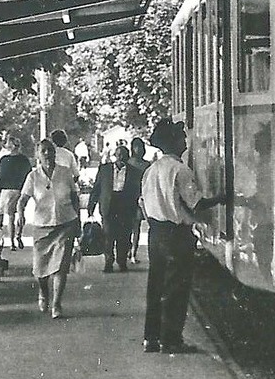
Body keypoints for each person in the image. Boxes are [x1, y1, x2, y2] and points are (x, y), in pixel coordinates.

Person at [138, 120, 220, 354]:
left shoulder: (151, 170)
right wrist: (223, 198)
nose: (185, 141)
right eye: (182, 138)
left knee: (155, 285)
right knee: (176, 287)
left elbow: (142, 202)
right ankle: (171, 340)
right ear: (174, 142)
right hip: (176, 235)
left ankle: (150, 338)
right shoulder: (180, 170)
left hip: (155, 233)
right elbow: (197, 203)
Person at [18, 138, 81, 319]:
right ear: (37, 154)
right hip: (42, 226)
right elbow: (23, 199)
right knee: (40, 269)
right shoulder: (33, 177)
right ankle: (43, 292)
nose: (47, 154)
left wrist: (78, 220)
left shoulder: (65, 172)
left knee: (60, 267)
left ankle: (56, 304)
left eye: (50, 150)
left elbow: (75, 197)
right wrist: (20, 213)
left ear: (55, 153)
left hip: (65, 223)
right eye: (43, 151)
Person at [87, 139, 142, 273]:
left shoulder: (135, 172)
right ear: (115, 156)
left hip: (125, 206)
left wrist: (138, 209)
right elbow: (97, 188)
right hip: (109, 206)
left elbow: (138, 192)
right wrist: (91, 206)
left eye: (124, 155)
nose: (121, 158)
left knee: (124, 236)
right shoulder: (105, 169)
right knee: (108, 235)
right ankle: (108, 262)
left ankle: (122, 261)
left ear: (128, 157)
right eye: (118, 155)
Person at [0, 137, 32, 249]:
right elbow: (29, 175)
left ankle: (11, 242)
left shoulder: (4, 160)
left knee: (10, 217)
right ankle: (18, 235)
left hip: (7, 190)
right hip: (20, 190)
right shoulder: (24, 160)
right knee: (20, 213)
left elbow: (0, 176)